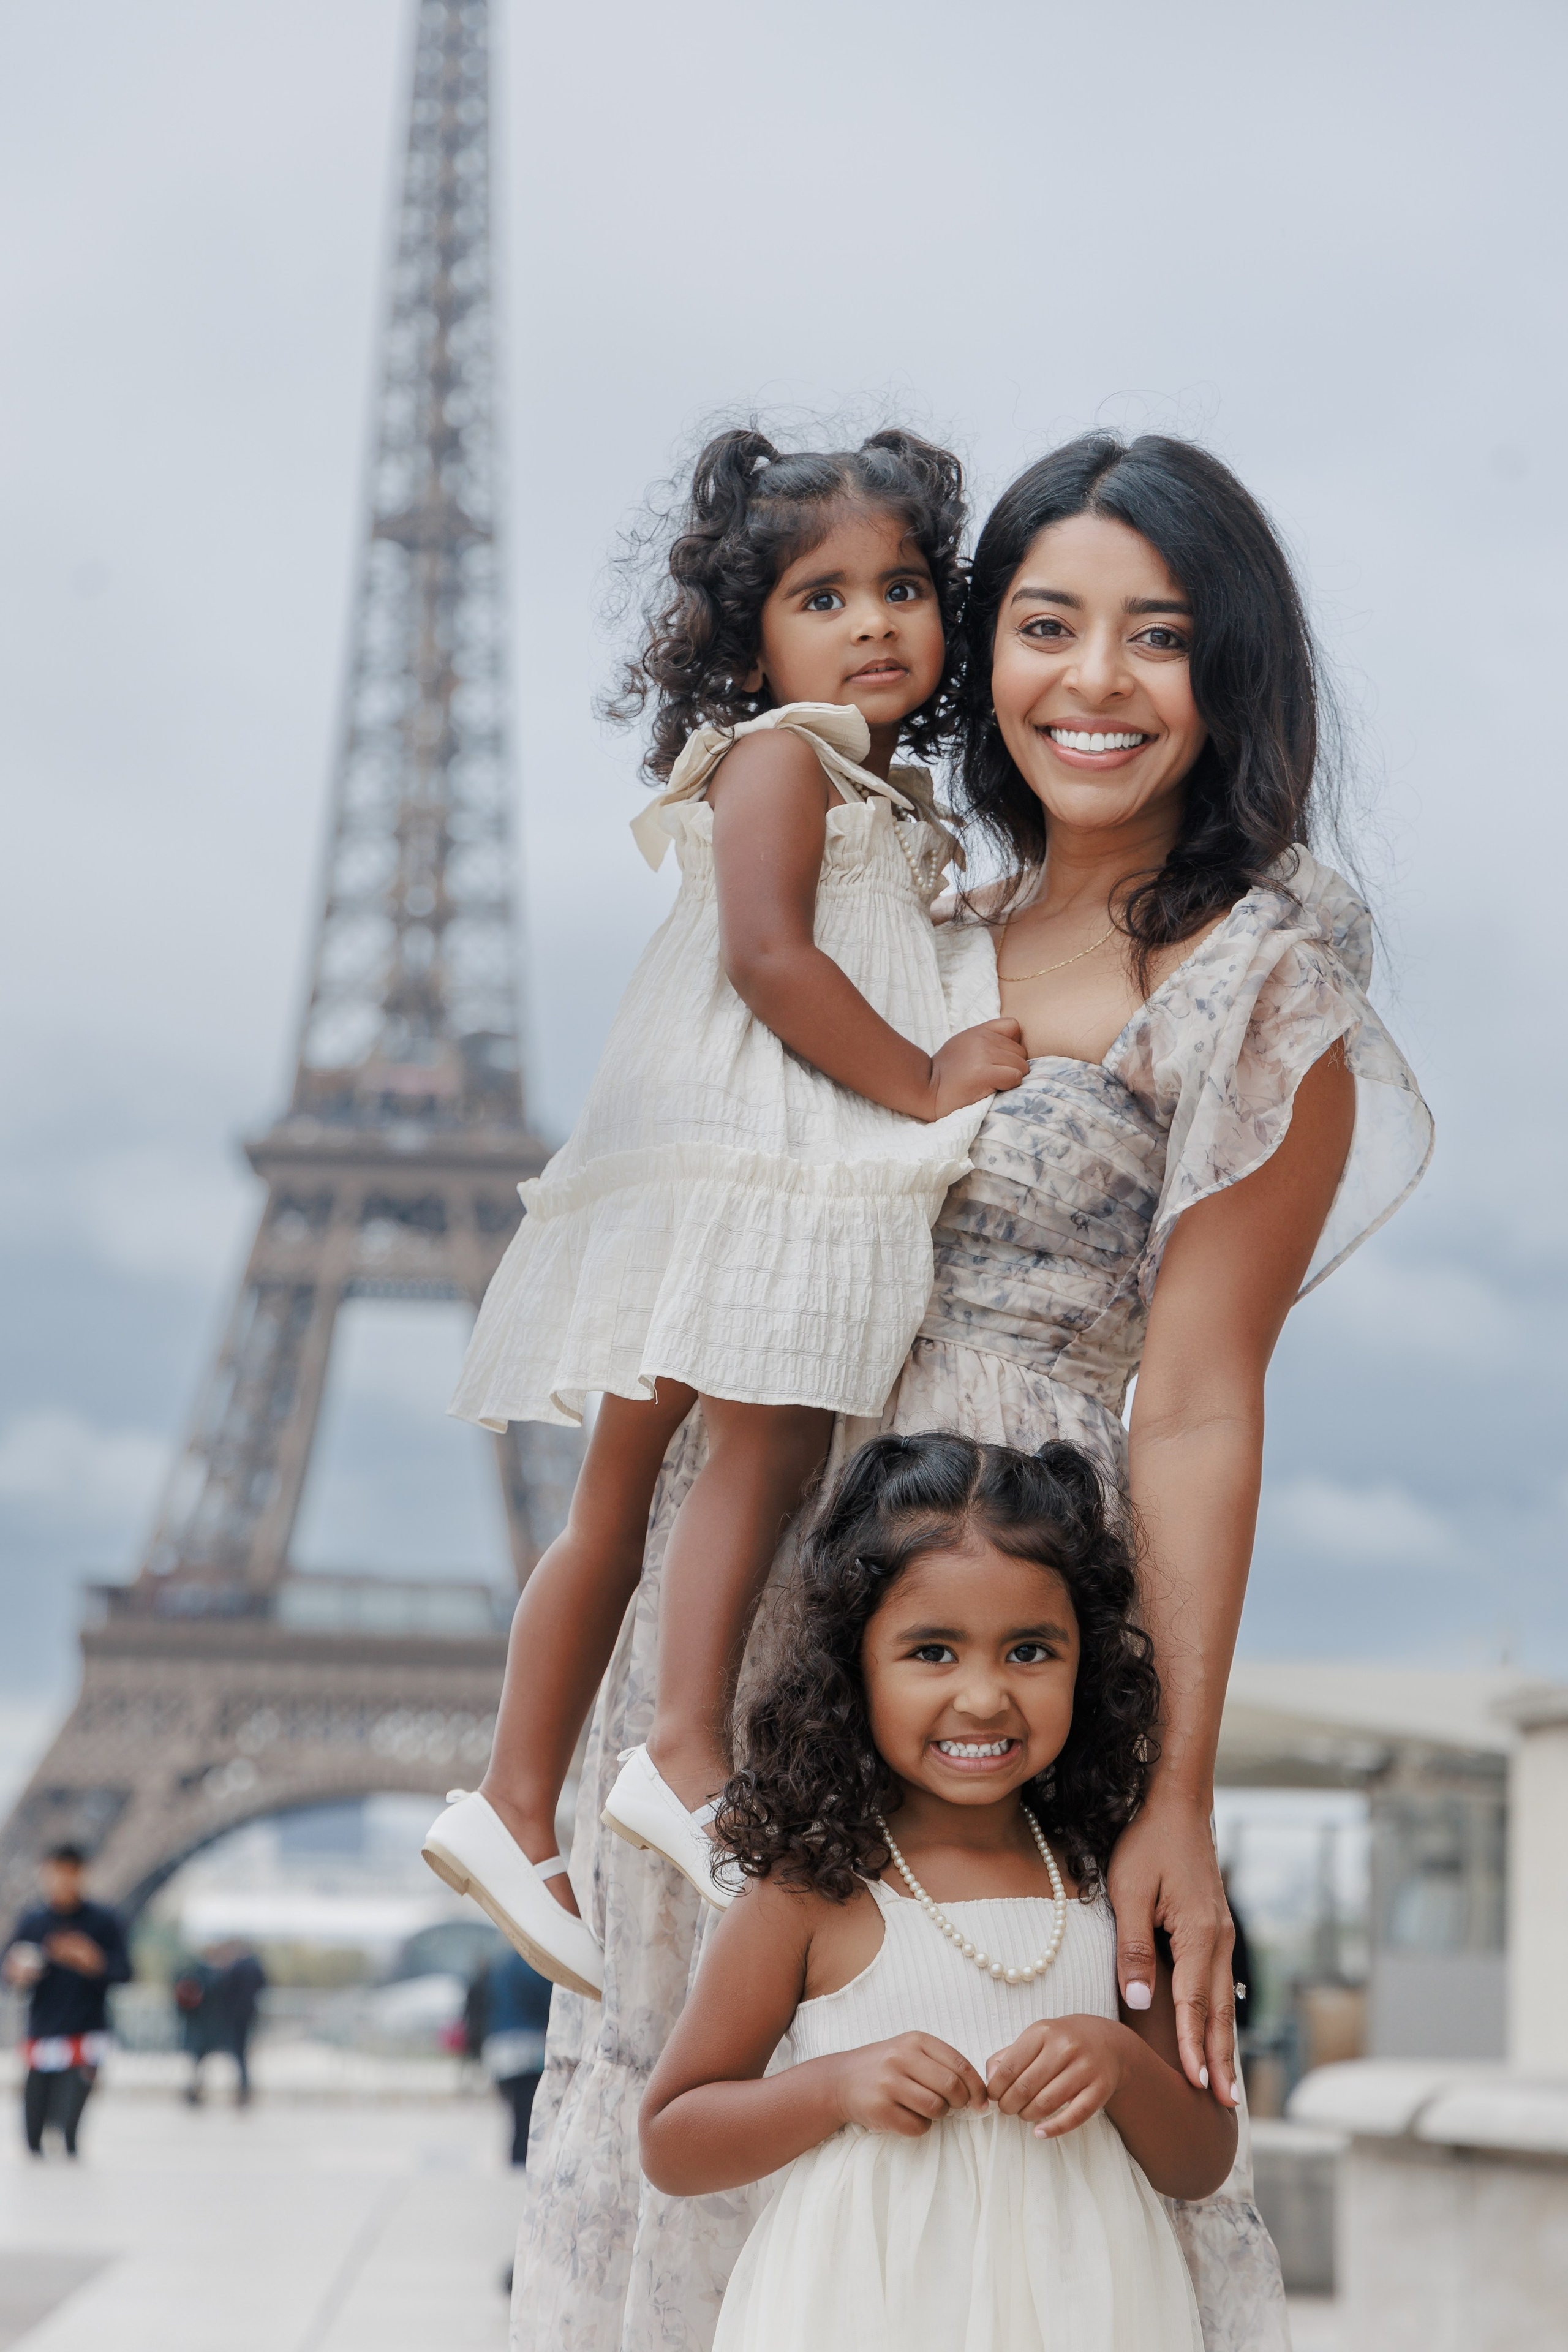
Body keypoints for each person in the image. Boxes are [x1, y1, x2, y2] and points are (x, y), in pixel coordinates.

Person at [511, 430, 1431, 2352]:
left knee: (1038, 2106)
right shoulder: (890, 914)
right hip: (770, 1587)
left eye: (1155, 633)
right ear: (972, 651)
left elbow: (1191, 1400)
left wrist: (1172, 1784)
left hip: (1013, 1613)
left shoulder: (1258, 977)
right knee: (704, 2097)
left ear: (1229, 669)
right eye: (1042, 623)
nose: (1091, 679)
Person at [424, 428, 1020, 1992]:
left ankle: (510, 1796)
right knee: (759, 1438)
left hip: (698, 1153)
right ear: (748, 638)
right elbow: (767, 958)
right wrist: (926, 1077)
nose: (872, 620)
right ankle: (679, 1744)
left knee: (617, 1494)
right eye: (822, 597)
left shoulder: (872, 794)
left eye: (901, 586)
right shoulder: (781, 759)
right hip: (745, 1149)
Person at [643, 1433, 1234, 2349]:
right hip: (860, 2315)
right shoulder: (812, 1892)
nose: (987, 1696)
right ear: (854, 1668)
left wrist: (1117, 2064)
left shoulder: (1112, 1886)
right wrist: (835, 2087)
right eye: (933, 1653)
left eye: (1031, 1650)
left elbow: (1201, 2161)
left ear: (1091, 1663)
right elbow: (672, 2141)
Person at [2, 1842, 130, 2158]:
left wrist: (91, 1960)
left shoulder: (103, 1921)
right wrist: (15, 1974)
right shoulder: (32, 1921)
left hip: (85, 2033)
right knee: (32, 2133)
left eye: (66, 1874)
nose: (58, 1881)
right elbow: (5, 1971)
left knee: (69, 2130)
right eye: (52, 1874)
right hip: (43, 2031)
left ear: (80, 1874)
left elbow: (125, 1972)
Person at [479, 1948, 554, 2165]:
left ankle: (517, 2158)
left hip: (500, 2048)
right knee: (527, 2114)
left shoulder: (502, 1964)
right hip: (526, 2050)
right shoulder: (532, 1963)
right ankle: (522, 2160)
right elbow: (547, 2000)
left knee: (516, 2113)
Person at [178, 1940, 268, 2106]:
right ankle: (241, 2091)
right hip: (225, 2021)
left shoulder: (205, 1972)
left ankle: (199, 2091)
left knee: (207, 2058)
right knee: (236, 2057)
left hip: (216, 2022)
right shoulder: (241, 1969)